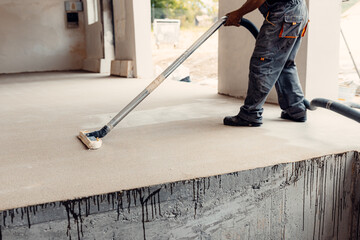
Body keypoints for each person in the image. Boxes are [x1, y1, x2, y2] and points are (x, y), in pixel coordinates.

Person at [223, 0, 309, 127]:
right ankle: (296, 110)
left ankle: (250, 114)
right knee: (285, 64)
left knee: (262, 62)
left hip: (284, 13)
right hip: (297, 12)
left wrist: (238, 14)